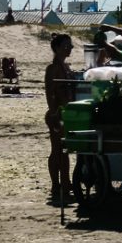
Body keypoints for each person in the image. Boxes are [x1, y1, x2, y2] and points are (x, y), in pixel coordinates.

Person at [44, 34, 77, 203]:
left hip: (67, 113)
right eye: (66, 46)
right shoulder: (53, 68)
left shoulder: (66, 67)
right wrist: (54, 113)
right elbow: (49, 93)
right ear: (57, 48)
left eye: (70, 46)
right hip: (57, 114)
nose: (69, 48)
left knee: (63, 151)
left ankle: (65, 183)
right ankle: (57, 184)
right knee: (57, 151)